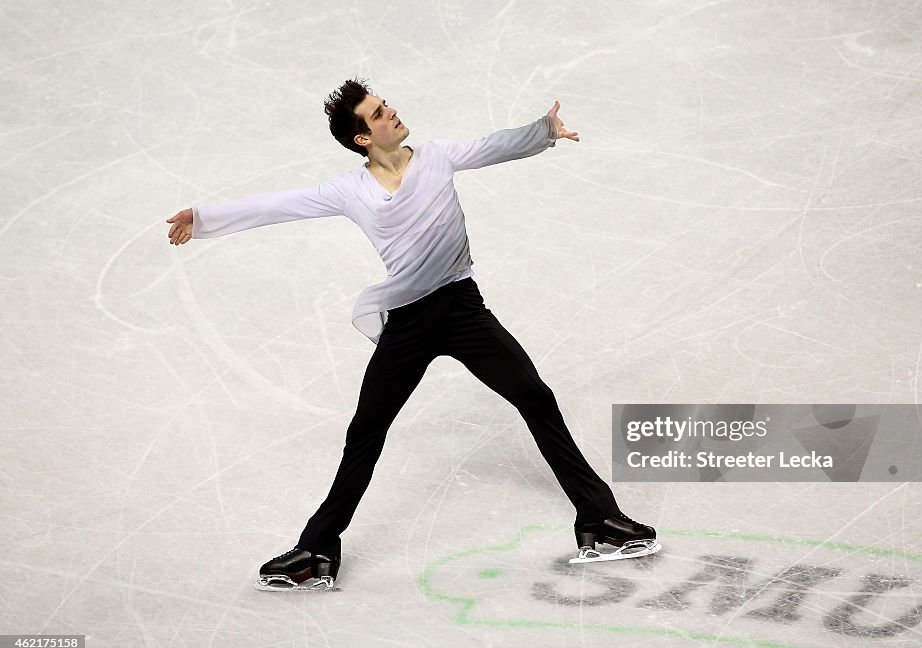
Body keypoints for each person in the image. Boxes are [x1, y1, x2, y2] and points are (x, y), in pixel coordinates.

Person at [166, 79, 658, 591]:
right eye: (378, 114)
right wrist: (202, 219)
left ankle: (598, 520)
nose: (391, 113)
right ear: (362, 138)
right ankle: (316, 548)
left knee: (535, 397)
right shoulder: (349, 190)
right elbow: (277, 205)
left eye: (386, 105)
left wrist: (545, 131)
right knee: (367, 431)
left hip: (463, 310)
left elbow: (494, 146)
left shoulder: (437, 157)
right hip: (408, 323)